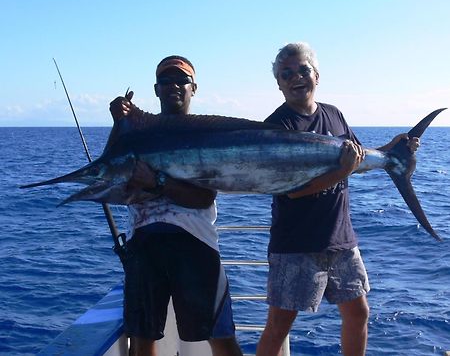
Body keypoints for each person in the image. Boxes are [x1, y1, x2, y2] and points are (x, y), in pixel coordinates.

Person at [256, 43, 419, 356]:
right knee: (279, 326)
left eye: (303, 70)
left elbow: (354, 162)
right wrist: (341, 171)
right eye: (286, 74)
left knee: (358, 313)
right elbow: (293, 189)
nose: (295, 78)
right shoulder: (277, 126)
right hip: (297, 244)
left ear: (316, 75)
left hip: (341, 239)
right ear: (279, 84)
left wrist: (390, 151)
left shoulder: (334, 114)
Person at [108, 55, 243, 356]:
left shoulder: (204, 134)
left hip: (196, 242)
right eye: (166, 81)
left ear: (194, 87)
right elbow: (113, 173)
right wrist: (119, 123)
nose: (174, 86)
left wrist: (156, 183)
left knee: (221, 338)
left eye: (181, 80)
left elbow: (203, 198)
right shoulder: (137, 132)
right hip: (144, 244)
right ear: (156, 89)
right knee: (142, 340)